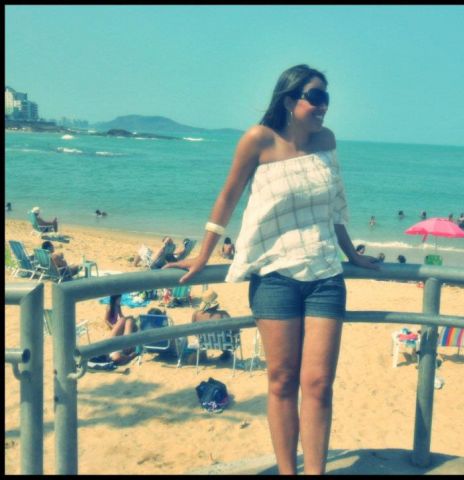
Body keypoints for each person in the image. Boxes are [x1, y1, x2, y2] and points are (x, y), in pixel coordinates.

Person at [164, 64, 379, 475]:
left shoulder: (327, 141)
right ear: (290, 99)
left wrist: (352, 254)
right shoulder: (258, 140)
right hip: (274, 276)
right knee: (281, 380)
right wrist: (204, 254)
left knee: (318, 384)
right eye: (316, 97)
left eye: (327, 98)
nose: (324, 106)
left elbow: (335, 206)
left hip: (325, 275)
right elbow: (227, 198)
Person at [190, 290, 235, 361]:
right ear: (216, 304)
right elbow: (233, 329)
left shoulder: (196, 314)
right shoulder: (223, 314)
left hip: (203, 342)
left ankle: (203, 353)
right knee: (229, 336)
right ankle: (226, 353)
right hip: (222, 343)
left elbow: (193, 329)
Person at [104, 294, 138, 364]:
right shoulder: (109, 307)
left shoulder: (118, 306)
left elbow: (121, 316)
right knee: (130, 321)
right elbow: (106, 320)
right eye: (119, 299)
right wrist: (131, 356)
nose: (120, 300)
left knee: (125, 319)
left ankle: (132, 323)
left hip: (111, 344)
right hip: (121, 346)